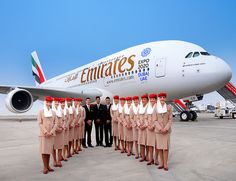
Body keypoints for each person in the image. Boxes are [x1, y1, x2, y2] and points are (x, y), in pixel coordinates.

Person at [38, 96, 57, 174]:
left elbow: (56, 123)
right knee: (44, 151)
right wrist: (45, 132)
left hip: (51, 134)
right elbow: (40, 123)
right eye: (47, 102)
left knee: (48, 151)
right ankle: (45, 167)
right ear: (45, 103)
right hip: (44, 135)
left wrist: (51, 132)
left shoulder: (53, 112)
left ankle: (48, 166)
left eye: (50, 102)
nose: (49, 103)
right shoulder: (41, 112)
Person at [155, 92, 172, 171]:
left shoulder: (169, 107)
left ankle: (165, 163)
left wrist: (166, 128)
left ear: (165, 98)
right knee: (160, 148)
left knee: (165, 148)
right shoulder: (156, 108)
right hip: (159, 131)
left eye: (163, 97)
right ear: (159, 98)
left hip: (166, 131)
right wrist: (160, 128)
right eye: (161, 97)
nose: (162, 98)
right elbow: (155, 120)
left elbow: (170, 119)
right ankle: (161, 163)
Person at [52, 97, 64, 168]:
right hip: (54, 131)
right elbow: (52, 122)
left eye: (57, 102)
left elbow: (64, 120)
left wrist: (62, 127)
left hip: (61, 130)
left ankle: (59, 160)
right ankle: (54, 160)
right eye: (55, 102)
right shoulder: (51, 111)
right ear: (53, 103)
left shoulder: (61, 111)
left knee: (60, 146)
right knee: (54, 147)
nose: (56, 103)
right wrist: (57, 128)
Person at [146, 93, 157, 165]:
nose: (152, 100)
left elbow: (158, 119)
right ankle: (151, 159)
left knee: (156, 145)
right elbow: (145, 118)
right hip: (149, 128)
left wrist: (152, 126)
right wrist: (148, 125)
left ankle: (156, 159)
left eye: (153, 99)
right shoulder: (148, 108)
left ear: (156, 100)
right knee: (150, 144)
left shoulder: (158, 107)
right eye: (151, 99)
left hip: (155, 128)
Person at [138, 94, 148, 162]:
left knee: (147, 143)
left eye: (145, 99)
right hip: (140, 128)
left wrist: (144, 125)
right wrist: (139, 125)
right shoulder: (140, 108)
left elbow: (150, 118)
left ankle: (147, 156)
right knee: (141, 143)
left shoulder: (149, 108)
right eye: (143, 99)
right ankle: (142, 156)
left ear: (147, 100)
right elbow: (137, 118)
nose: (143, 100)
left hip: (146, 128)